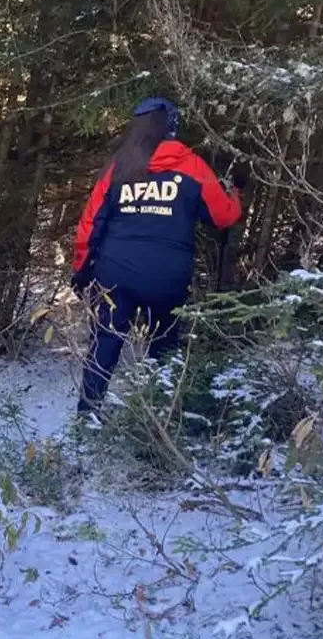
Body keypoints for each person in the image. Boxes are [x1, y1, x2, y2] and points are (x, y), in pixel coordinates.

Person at [71, 98, 244, 414]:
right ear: (172, 126)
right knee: (163, 348)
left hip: (115, 273)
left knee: (104, 346)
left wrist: (81, 270)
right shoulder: (193, 166)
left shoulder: (118, 167)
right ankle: (156, 419)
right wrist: (235, 193)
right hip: (167, 276)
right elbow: (223, 216)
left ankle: (87, 416)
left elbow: (90, 223)